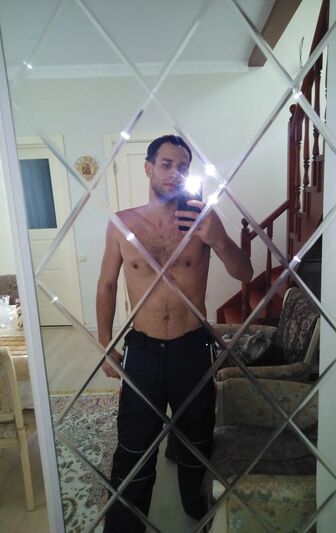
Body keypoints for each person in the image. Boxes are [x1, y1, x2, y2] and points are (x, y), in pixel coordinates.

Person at [97, 134, 253, 532]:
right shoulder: (122, 224)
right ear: (148, 168)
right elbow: (107, 285)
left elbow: (245, 272)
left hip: (192, 346)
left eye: (183, 166)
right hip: (143, 349)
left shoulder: (203, 221)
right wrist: (104, 344)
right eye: (166, 164)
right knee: (134, 442)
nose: (175, 173)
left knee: (196, 438)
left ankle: (196, 510)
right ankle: (124, 525)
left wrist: (218, 238)